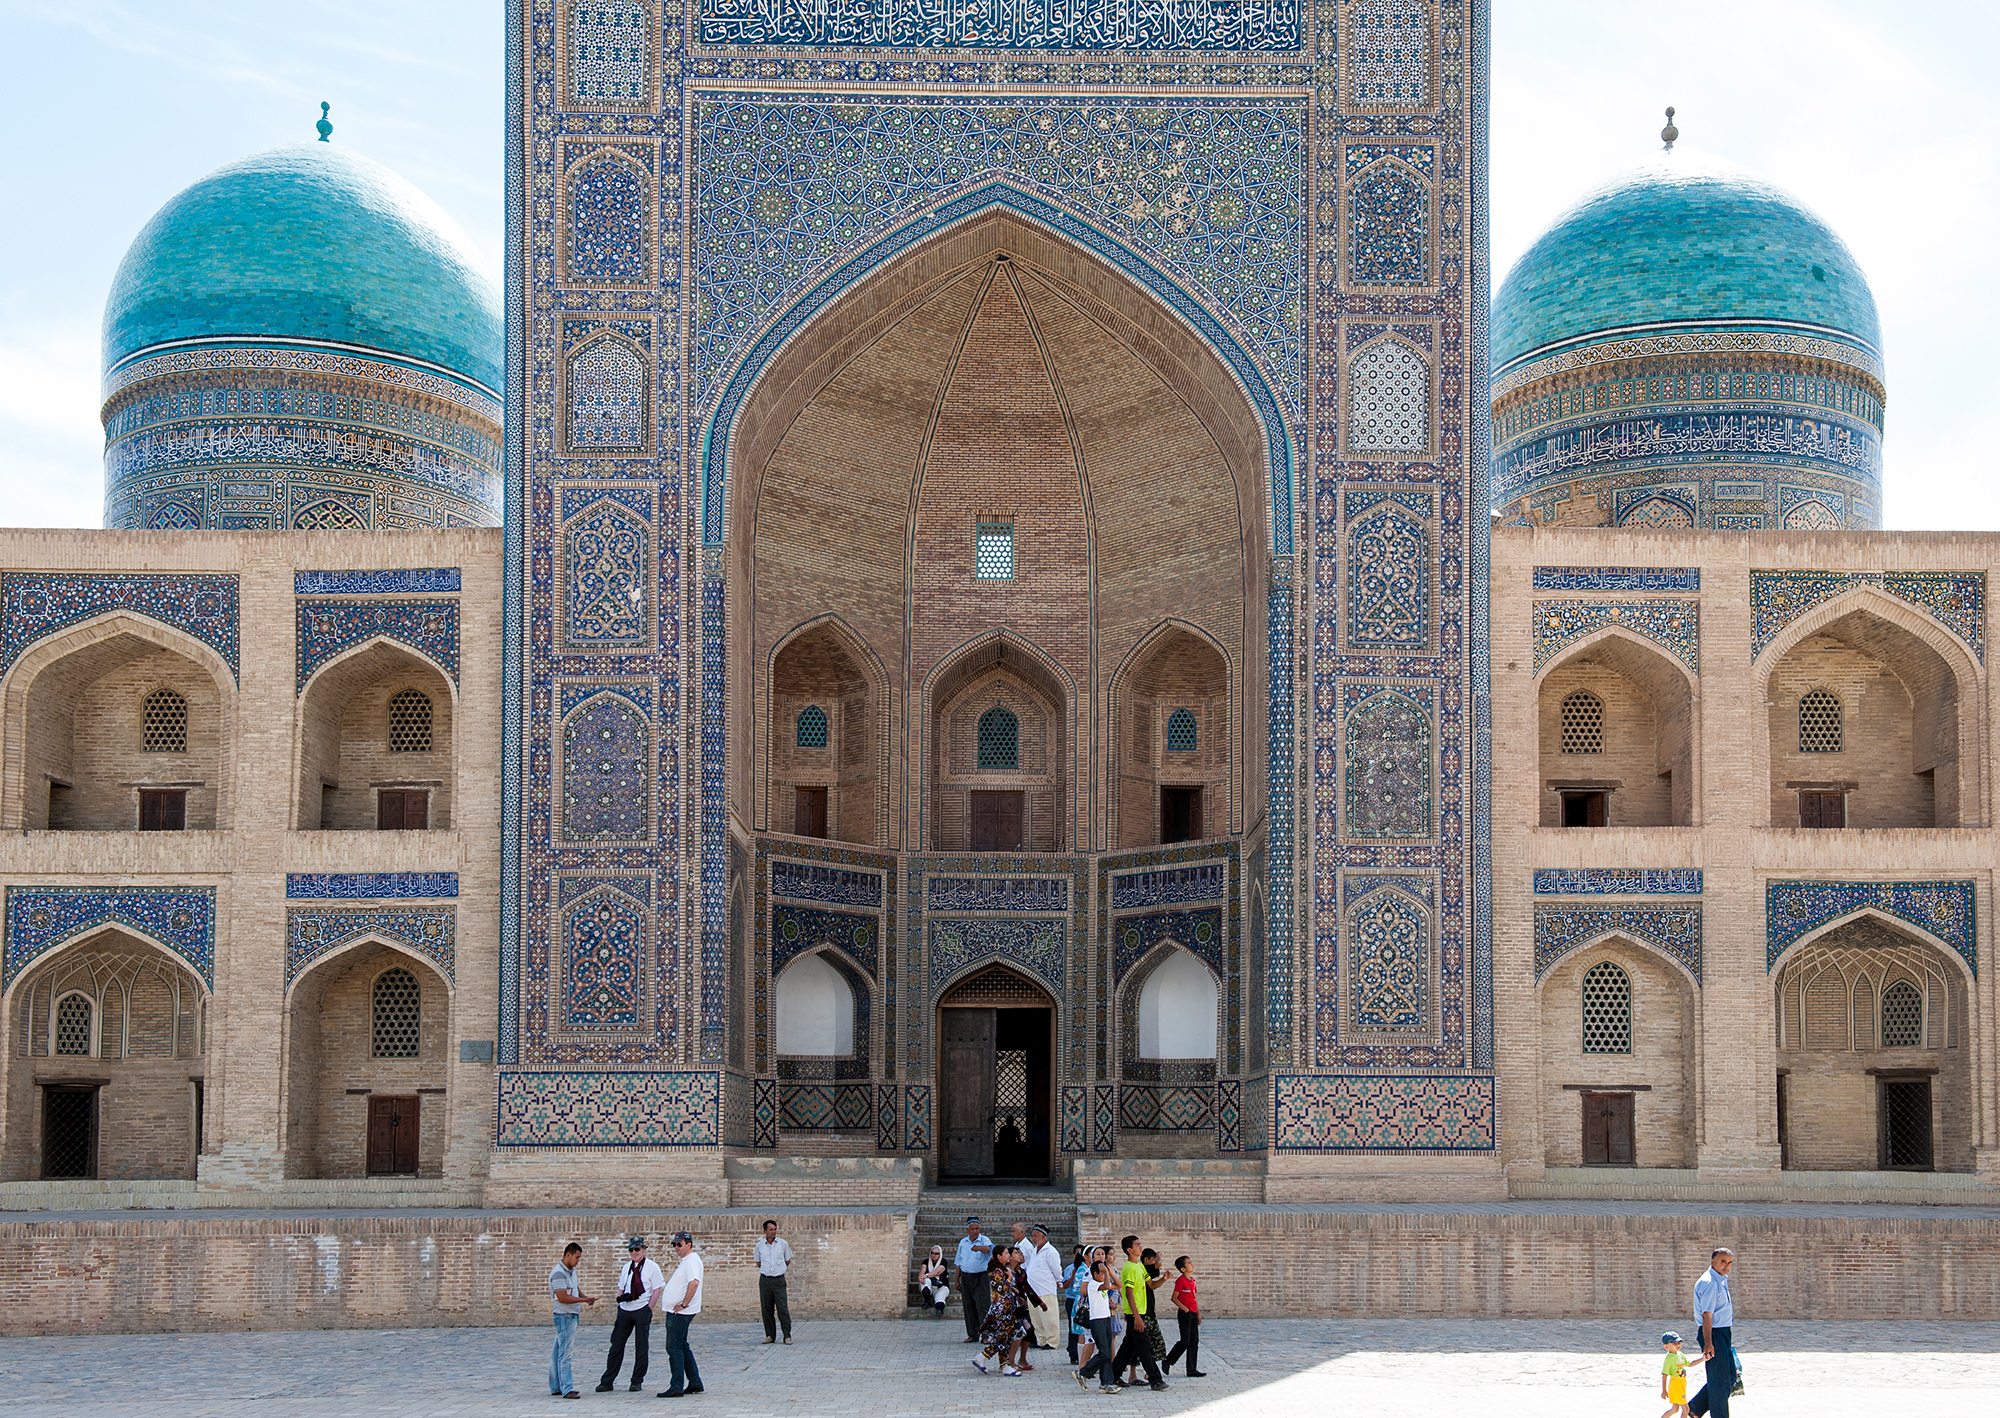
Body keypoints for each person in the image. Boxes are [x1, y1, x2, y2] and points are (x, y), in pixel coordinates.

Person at [598, 1236, 665, 1392]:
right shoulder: (626, 1267)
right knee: (616, 1345)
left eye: (637, 1249)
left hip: (642, 1309)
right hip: (625, 1310)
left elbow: (657, 1289)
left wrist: (649, 1308)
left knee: (641, 1346)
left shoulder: (651, 1267)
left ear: (643, 1249)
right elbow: (622, 1288)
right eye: (631, 1250)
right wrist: (619, 1304)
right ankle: (607, 1380)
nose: (634, 1252)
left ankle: (637, 1380)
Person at [1111, 1234, 1166, 1391]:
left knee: (1128, 1346)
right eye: (1137, 1245)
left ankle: (1113, 1375)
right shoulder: (1129, 1268)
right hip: (1136, 1314)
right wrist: (1136, 1317)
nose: (1140, 1247)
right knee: (1144, 1346)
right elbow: (1128, 1293)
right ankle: (1155, 1379)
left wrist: (1164, 1279)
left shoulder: (1140, 1266)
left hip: (1141, 1312)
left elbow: (1152, 1285)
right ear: (1129, 1250)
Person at [1687, 1247, 1737, 1418]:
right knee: (1720, 1384)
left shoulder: (1721, 1279)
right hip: (1713, 1334)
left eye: (1729, 1262)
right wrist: (1709, 1343)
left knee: (1729, 1377)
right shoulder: (1710, 1283)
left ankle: (1695, 1408)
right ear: (1713, 1261)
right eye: (1723, 1261)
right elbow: (1707, 1316)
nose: (1726, 1266)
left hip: (1723, 1333)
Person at [655, 1231, 705, 1399]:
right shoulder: (688, 1261)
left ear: (688, 1244)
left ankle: (676, 1385)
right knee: (682, 1345)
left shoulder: (691, 1261)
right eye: (674, 1245)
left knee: (673, 1347)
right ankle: (695, 1382)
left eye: (679, 1244)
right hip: (679, 1311)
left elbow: (694, 1283)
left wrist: (683, 1304)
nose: (676, 1248)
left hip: (680, 1312)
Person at [549, 1241, 598, 1400]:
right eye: (576, 1257)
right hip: (564, 1316)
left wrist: (585, 1297)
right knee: (565, 1354)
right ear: (568, 1255)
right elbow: (562, 1297)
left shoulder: (571, 1271)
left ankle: (556, 1386)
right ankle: (567, 1388)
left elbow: (574, 1289)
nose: (578, 1261)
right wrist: (583, 1301)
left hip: (570, 1315)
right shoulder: (558, 1273)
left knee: (558, 1352)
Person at [1074, 1259, 1123, 1393]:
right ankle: (1082, 1372)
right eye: (1101, 1273)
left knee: (1106, 1353)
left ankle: (1106, 1382)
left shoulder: (1101, 1283)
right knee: (1104, 1352)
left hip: (1106, 1319)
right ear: (1095, 1274)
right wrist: (1106, 1272)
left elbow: (1119, 1285)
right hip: (1097, 1321)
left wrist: (1111, 1273)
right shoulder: (1093, 1284)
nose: (1104, 1275)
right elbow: (1107, 1286)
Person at [1162, 1254, 1205, 1377]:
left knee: (1194, 1341)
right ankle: (1168, 1360)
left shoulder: (1193, 1281)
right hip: (1184, 1313)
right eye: (1189, 1263)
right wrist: (1185, 1309)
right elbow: (1174, 1298)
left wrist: (1198, 1314)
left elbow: (1194, 1298)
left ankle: (1191, 1369)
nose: (1192, 1264)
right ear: (1183, 1269)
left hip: (1193, 1313)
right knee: (1185, 1341)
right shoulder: (1181, 1281)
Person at [1024, 1223, 1064, 1353]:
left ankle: (1052, 1341)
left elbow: (1056, 1270)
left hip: (1045, 1289)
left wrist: (1059, 1280)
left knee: (1049, 1316)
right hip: (1033, 1291)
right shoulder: (1035, 1251)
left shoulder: (1051, 1251)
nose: (1033, 1239)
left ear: (1043, 1236)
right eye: (1032, 1236)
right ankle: (1041, 1339)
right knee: (1036, 1317)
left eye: (1036, 1236)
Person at [954, 1216, 994, 1342]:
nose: (975, 1231)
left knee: (983, 1306)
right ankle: (972, 1334)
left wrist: (978, 1248)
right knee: (969, 1306)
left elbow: (989, 1249)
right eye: (972, 1229)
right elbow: (958, 1262)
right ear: (967, 1230)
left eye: (977, 1228)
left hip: (980, 1276)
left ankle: (986, 1335)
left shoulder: (984, 1240)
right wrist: (957, 1280)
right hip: (966, 1277)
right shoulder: (963, 1242)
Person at [754, 1219, 793, 1345]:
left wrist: (779, 1269)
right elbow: (758, 1262)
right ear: (765, 1231)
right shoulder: (759, 1246)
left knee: (782, 1308)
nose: (773, 1232)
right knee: (767, 1308)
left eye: (775, 1229)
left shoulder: (783, 1244)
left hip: (778, 1280)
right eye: (771, 1230)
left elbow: (787, 1260)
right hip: (765, 1280)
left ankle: (787, 1335)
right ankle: (770, 1335)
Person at [1660, 1331, 1690, 1418]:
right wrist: (1664, 1390)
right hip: (1676, 1385)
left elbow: (1689, 1364)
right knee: (1686, 1409)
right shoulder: (1668, 1359)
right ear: (1666, 1347)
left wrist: (1703, 1359)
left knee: (1675, 1409)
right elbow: (1664, 1375)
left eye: (1679, 1343)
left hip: (1681, 1384)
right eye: (1674, 1343)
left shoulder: (1680, 1354)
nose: (1678, 1345)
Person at [917, 1245, 951, 1316]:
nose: (934, 1255)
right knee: (926, 1281)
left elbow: (937, 1272)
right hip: (930, 1286)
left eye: (936, 1253)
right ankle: (927, 1301)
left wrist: (926, 1275)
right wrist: (921, 1276)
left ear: (940, 1254)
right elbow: (922, 1271)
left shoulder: (943, 1262)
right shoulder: (926, 1261)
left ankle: (939, 1310)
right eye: (932, 1253)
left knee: (940, 1296)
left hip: (941, 1286)